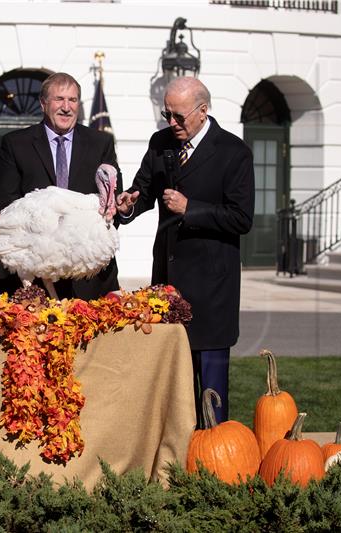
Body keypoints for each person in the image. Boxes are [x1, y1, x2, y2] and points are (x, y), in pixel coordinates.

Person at [116, 77, 255, 424]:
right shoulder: (161, 142)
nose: (171, 123)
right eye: (167, 114)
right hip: (167, 285)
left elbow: (241, 218)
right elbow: (144, 190)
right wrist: (129, 203)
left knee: (212, 395)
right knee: (171, 385)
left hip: (212, 292)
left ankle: (214, 463)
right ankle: (175, 457)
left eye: (179, 116)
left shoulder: (234, 152)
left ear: (203, 110)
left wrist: (190, 208)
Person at [0, 72, 123, 300]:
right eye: (59, 99)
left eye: (72, 100)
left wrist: (122, 206)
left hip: (86, 274)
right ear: (43, 103)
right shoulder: (15, 144)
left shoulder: (101, 143)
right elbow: (5, 204)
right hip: (32, 277)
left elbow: (111, 202)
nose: (66, 107)